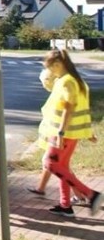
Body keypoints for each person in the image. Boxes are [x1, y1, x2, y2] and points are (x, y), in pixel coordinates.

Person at [34, 49, 102, 218]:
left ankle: (91, 195)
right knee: (62, 168)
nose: (50, 72)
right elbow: (83, 109)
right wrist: (88, 132)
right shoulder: (76, 81)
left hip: (62, 134)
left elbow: (69, 108)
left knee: (50, 163)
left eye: (50, 68)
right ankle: (65, 205)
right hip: (71, 133)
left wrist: (60, 133)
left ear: (57, 65)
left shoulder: (66, 82)